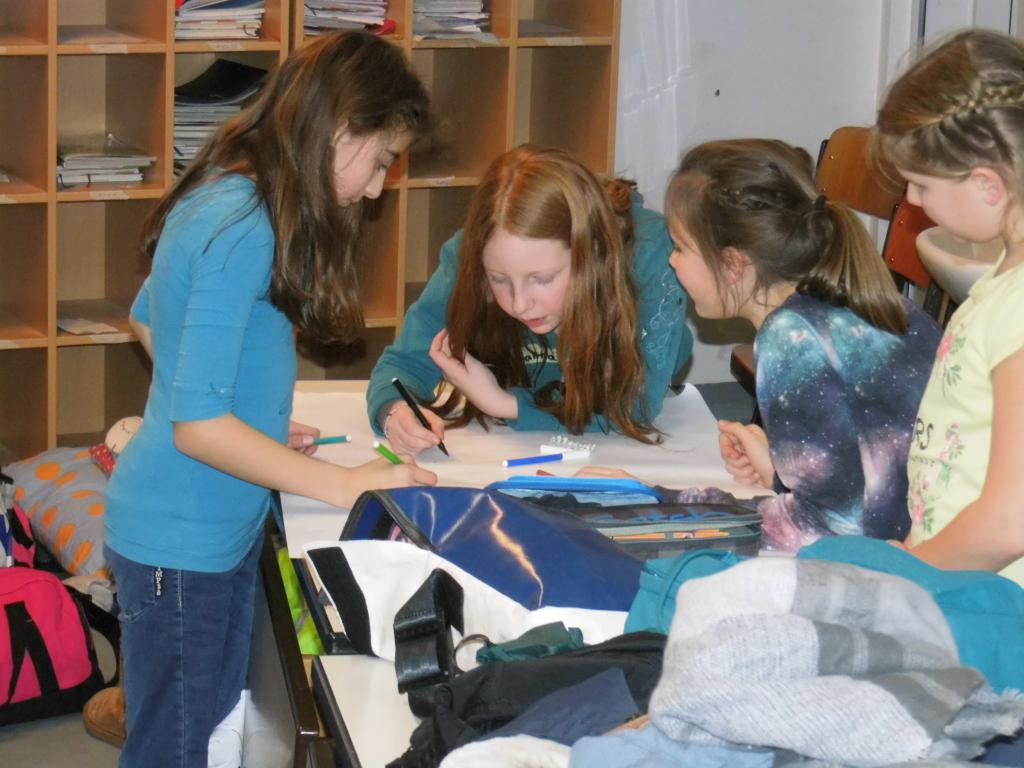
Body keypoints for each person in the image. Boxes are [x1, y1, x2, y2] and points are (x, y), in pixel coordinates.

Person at [103, 32, 435, 768]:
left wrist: (246, 419)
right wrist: (342, 484)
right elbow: (196, 429)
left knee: (209, 722)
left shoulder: (237, 194)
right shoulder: (241, 225)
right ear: (340, 128)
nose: (377, 188)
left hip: (201, 532)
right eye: (382, 159)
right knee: (175, 748)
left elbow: (150, 317)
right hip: (180, 545)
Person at [585, 138, 942, 552]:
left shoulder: (790, 339)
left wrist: (654, 500)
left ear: (733, 264)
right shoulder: (862, 303)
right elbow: (857, 493)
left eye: (680, 247)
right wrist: (779, 474)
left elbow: (815, 535)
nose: (671, 260)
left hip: (901, 565)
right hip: (922, 541)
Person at [366, 144, 693, 454]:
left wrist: (504, 404)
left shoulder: (652, 255)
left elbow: (635, 405)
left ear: (590, 254)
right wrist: (395, 411)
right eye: (498, 279)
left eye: (542, 279)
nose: (519, 304)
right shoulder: (470, 254)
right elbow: (403, 365)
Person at [874, 29, 1024, 587]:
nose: (912, 200)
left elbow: (1011, 520)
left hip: (998, 602)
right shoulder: (1005, 278)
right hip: (963, 578)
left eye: (920, 184)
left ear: (987, 185)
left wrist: (911, 572)